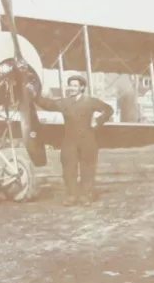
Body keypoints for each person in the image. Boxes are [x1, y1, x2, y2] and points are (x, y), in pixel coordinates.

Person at [27, 75, 114, 206]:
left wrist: (99, 120)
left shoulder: (90, 101)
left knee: (87, 169)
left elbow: (108, 109)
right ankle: (72, 196)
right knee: (68, 169)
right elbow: (49, 104)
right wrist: (34, 95)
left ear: (82, 87)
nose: (71, 88)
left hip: (88, 140)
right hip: (69, 141)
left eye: (74, 86)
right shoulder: (65, 103)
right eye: (70, 85)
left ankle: (85, 195)